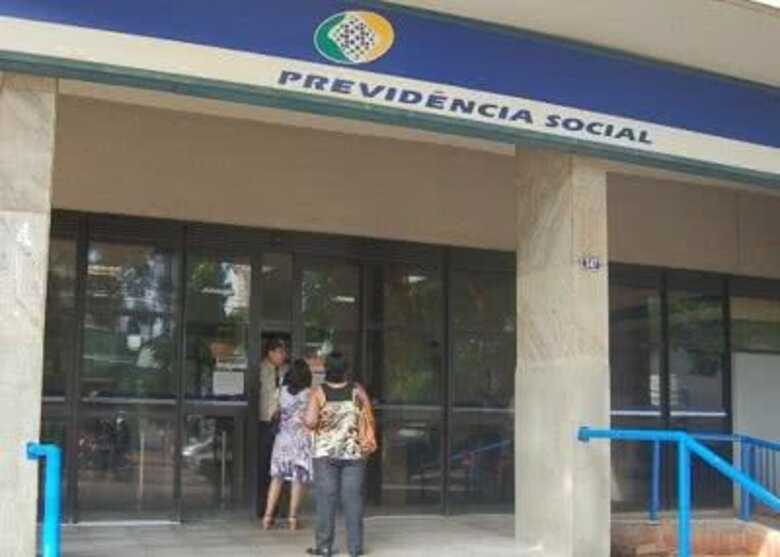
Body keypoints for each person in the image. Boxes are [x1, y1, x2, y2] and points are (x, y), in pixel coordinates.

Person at [304, 352, 375, 557]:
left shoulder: (319, 392)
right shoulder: (356, 390)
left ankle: (324, 547)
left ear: (326, 369)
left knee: (326, 500)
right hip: (353, 453)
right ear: (346, 369)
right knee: (353, 500)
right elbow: (368, 414)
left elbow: (310, 421)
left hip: (325, 454)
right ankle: (355, 548)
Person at [262, 359, 313, 530]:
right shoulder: (309, 394)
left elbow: (272, 412)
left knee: (277, 478)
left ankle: (267, 517)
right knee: (298, 479)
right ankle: (292, 519)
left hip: (282, 439)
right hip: (300, 440)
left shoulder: (280, 392)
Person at [257, 337, 288, 517]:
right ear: (270, 353)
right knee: (264, 464)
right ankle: (262, 505)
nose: (283, 355)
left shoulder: (286, 371)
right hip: (264, 422)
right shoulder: (260, 369)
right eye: (280, 352)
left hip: (282, 423)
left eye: (284, 352)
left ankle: (278, 506)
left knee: (278, 466)